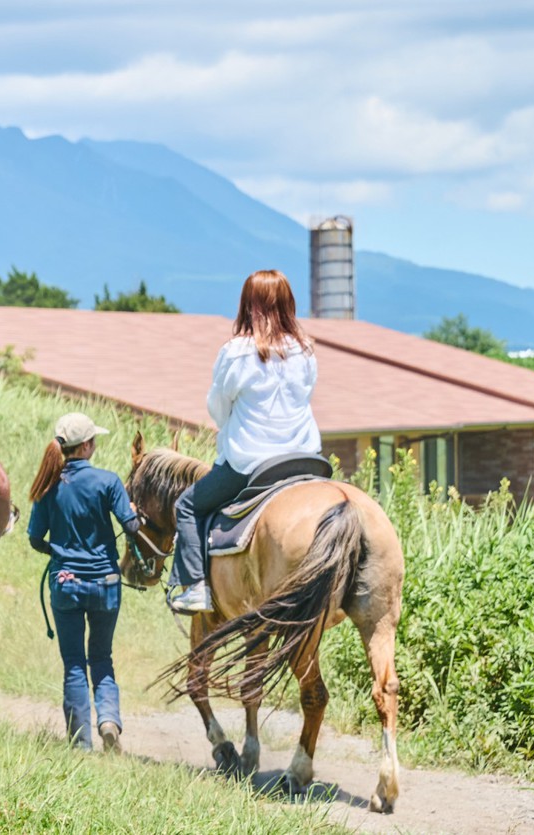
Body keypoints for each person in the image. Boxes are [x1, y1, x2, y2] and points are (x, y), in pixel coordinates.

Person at [169, 269, 321, 614]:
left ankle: (194, 587)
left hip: (251, 464)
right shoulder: (305, 351)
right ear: (287, 304)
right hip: (305, 458)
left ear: (249, 306)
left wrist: (231, 426)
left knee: (188, 507)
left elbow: (218, 408)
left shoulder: (237, 352)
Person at [28, 412, 144, 753]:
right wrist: (133, 511)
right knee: (102, 657)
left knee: (75, 663)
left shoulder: (48, 486)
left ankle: (80, 744)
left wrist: (59, 554)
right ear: (89, 445)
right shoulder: (108, 482)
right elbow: (133, 528)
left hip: (65, 583)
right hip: (106, 582)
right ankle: (108, 720)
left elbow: (35, 538)